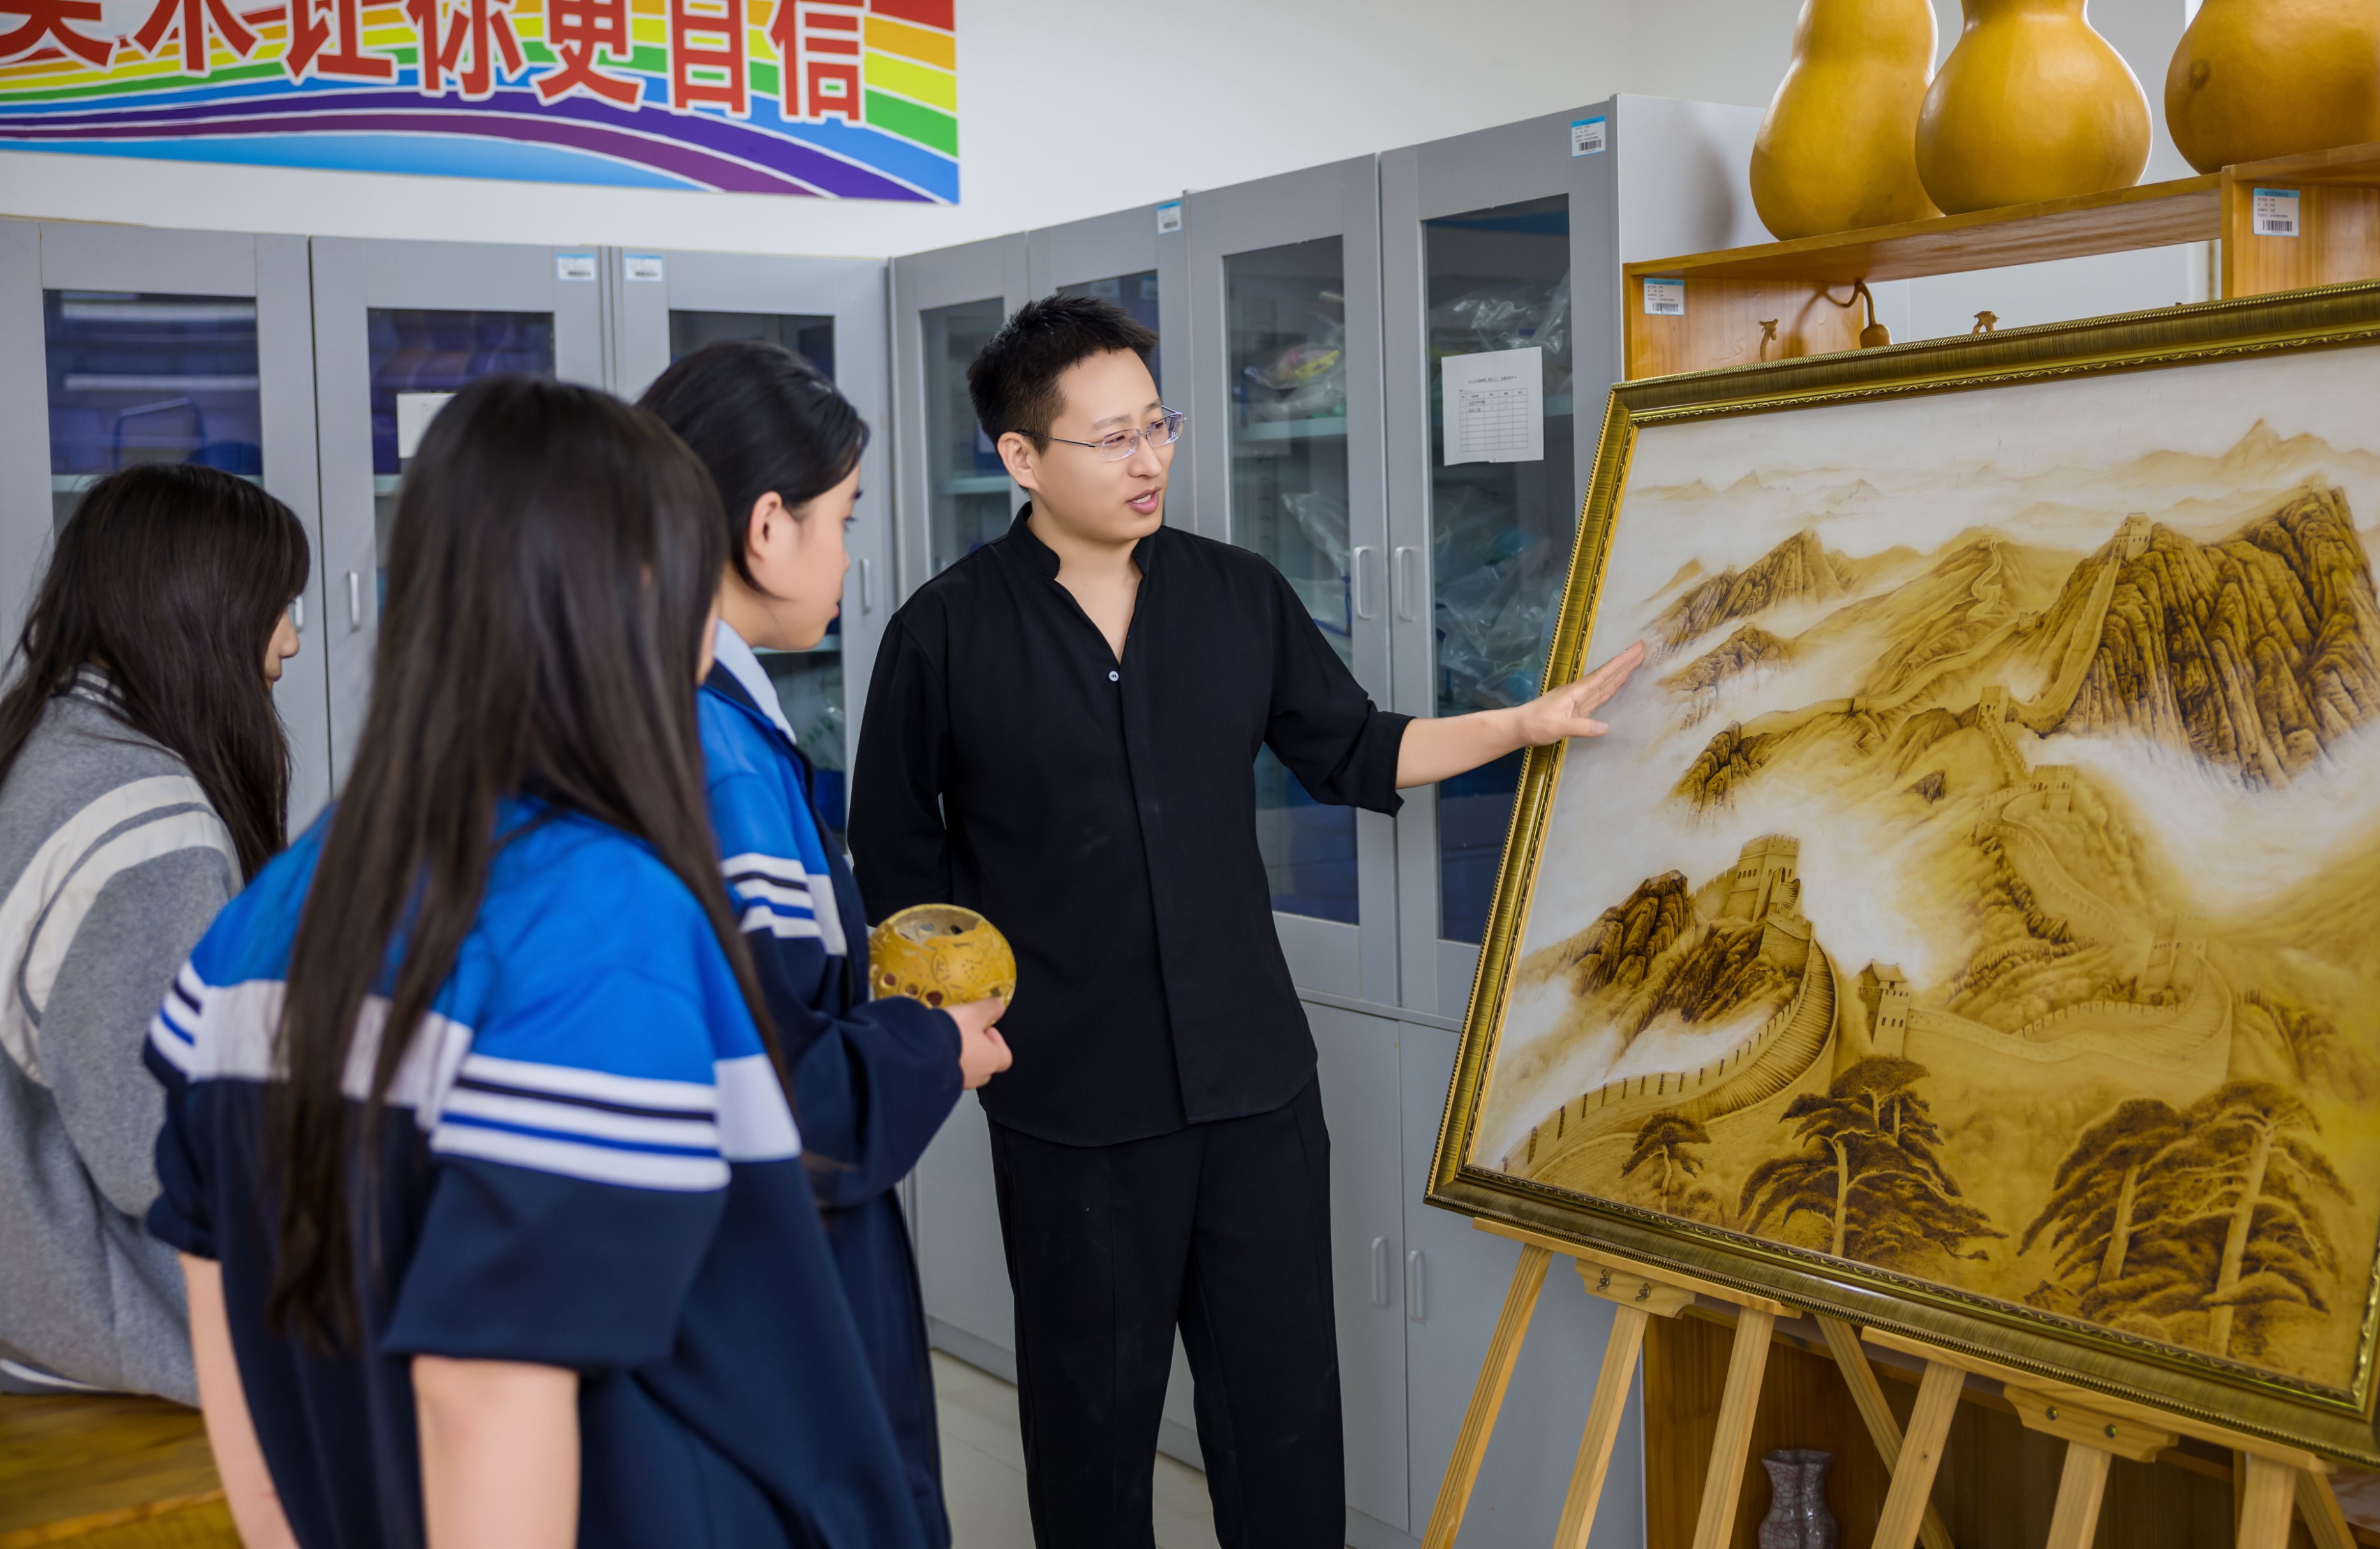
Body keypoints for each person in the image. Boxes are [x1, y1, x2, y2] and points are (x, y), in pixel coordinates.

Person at [850, 296, 1641, 1546]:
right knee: (1091, 1431)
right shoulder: (945, 632)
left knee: (1283, 1419)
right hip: (1073, 1104)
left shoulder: (1236, 595)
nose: (1149, 459)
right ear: (1022, 457)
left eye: (1157, 425)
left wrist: (1519, 723)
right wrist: (968, 1029)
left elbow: (1353, 747)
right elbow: (900, 860)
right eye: (1112, 437)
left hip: (1255, 1087)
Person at [146, 377, 933, 1549]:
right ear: (644, 596)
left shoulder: (270, 916)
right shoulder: (606, 919)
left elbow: (223, 1303)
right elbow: (486, 1391)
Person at [639, 339, 1009, 1546]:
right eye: (842, 518)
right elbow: (789, 1099)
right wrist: (936, 1046)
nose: (850, 556)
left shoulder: (676, 717)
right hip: (765, 1297)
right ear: (765, 527)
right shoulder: (721, 757)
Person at [0, 464, 305, 1401]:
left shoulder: (50, 743)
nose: (291, 642)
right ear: (199, 610)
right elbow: (167, 1158)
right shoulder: (146, 824)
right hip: (105, 1329)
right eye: (276, 607)